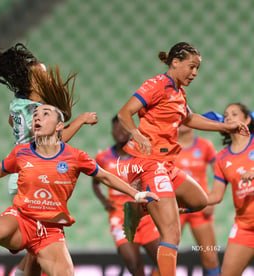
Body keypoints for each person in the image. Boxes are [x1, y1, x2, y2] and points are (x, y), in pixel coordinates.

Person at [0, 67, 159, 276]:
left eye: (45, 114)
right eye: (35, 115)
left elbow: (104, 176)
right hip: (22, 219)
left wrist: (136, 193)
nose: (37, 117)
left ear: (59, 127)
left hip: (50, 230)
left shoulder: (75, 156)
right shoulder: (22, 152)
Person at [117, 42, 250, 276]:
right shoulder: (158, 84)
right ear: (175, 62)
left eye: (198, 68)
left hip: (166, 166)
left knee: (200, 201)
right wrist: (137, 134)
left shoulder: (178, 92)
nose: (195, 73)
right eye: (191, 67)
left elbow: (189, 118)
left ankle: (140, 209)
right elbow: (124, 112)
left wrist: (226, 126)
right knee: (172, 234)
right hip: (148, 164)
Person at [0, 43, 98, 275]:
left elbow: (11, 122)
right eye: (43, 75)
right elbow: (60, 137)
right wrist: (81, 120)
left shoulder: (18, 104)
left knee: (38, 244)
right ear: (32, 82)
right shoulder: (36, 109)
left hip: (23, 173)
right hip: (30, 177)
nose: (47, 78)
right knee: (43, 240)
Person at [92, 114, 160, 276]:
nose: (120, 131)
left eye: (123, 127)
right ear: (111, 132)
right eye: (116, 127)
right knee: (133, 263)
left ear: (130, 131)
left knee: (162, 259)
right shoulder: (103, 158)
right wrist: (104, 201)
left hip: (145, 215)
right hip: (120, 217)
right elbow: (96, 183)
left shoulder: (142, 154)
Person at [207, 103, 254, 276]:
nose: (228, 117)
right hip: (245, 227)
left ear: (247, 120)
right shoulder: (222, 157)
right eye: (226, 115)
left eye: (234, 114)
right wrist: (187, 202)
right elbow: (215, 196)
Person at [175, 125, 220, 275]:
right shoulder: (169, 147)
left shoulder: (205, 145)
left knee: (210, 256)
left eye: (186, 119)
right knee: (164, 255)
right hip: (175, 209)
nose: (182, 123)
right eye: (179, 120)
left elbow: (220, 173)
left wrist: (211, 199)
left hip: (201, 208)